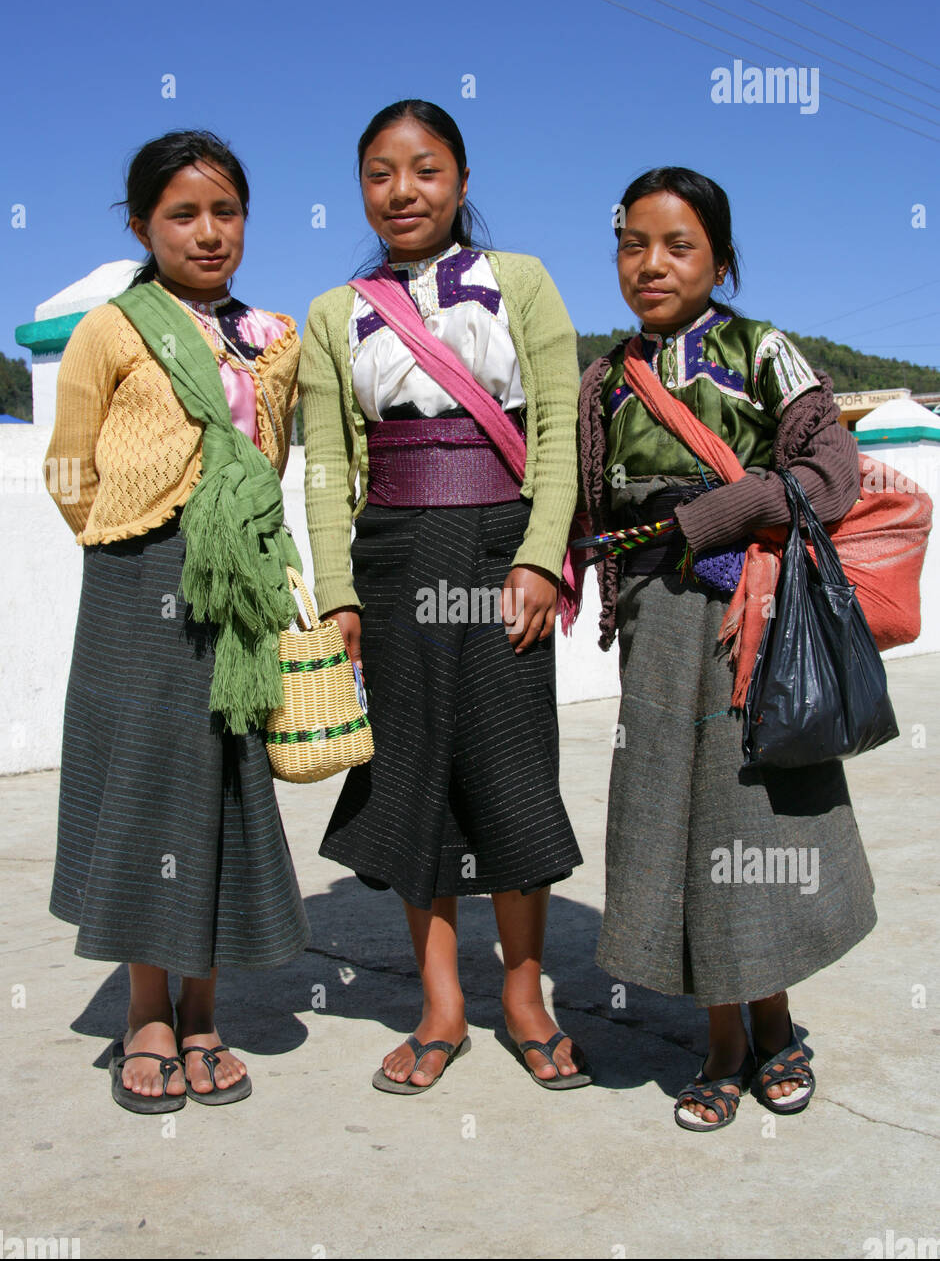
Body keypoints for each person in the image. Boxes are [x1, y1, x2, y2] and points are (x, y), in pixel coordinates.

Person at [300, 100, 589, 1092]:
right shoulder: (336, 313)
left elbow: (556, 433)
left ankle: (523, 994)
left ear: (462, 181)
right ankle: (441, 1005)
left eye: (424, 170)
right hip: (391, 559)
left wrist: (541, 558)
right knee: (413, 772)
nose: (402, 191)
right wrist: (338, 589)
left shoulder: (523, 284)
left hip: (501, 545)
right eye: (379, 173)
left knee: (510, 770)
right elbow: (330, 462)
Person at [579, 166, 875, 1130]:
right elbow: (584, 513)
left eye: (679, 245)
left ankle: (777, 1026)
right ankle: (719, 1041)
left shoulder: (763, 352)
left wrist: (720, 512)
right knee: (674, 825)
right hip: (655, 635)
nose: (651, 264)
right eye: (633, 244)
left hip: (753, 617)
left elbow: (830, 475)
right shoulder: (603, 382)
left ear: (721, 259)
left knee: (756, 822)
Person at [45, 130, 309, 1113]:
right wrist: (128, 538)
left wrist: (234, 540)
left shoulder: (270, 337)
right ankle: (147, 1013)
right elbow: (68, 464)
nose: (208, 233)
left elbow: (275, 455)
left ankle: (207, 1009)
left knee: (226, 781)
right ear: (141, 225)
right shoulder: (111, 330)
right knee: (147, 782)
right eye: (182, 215)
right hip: (140, 580)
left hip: (234, 581)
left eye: (225, 212)